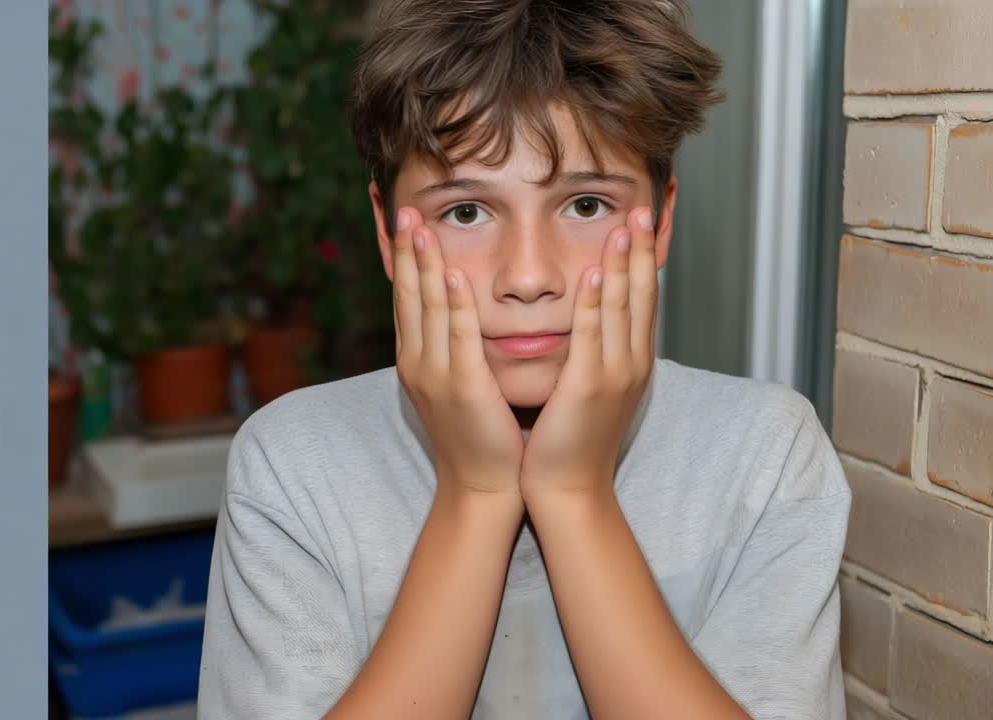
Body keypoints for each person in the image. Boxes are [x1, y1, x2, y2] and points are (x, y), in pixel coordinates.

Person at [197, 1, 851, 717]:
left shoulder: (767, 457)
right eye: (467, 213)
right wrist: (475, 495)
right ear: (387, 235)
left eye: (586, 206)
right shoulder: (292, 466)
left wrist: (575, 495)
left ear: (661, 222)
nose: (530, 276)